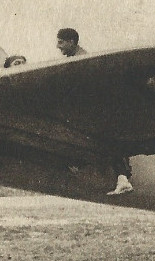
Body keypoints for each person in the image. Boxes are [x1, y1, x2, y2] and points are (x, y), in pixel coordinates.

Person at [57, 27, 133, 195]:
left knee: (107, 139)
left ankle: (123, 178)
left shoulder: (81, 60)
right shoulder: (76, 59)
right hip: (92, 111)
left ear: (71, 42)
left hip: (98, 111)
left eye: (61, 42)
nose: (58, 46)